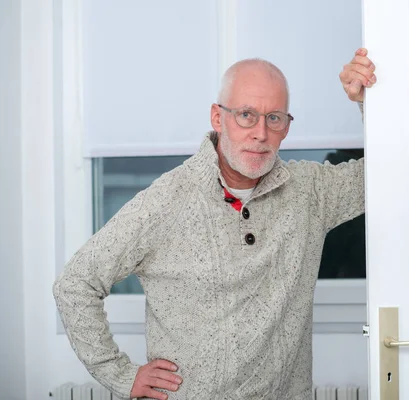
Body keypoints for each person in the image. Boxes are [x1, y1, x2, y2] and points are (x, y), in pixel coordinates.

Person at [53, 48, 377, 400]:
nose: (260, 133)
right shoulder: (166, 200)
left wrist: (367, 102)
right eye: (246, 115)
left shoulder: (310, 192)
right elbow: (76, 283)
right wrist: (118, 373)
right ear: (217, 118)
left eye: (275, 118)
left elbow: (382, 176)